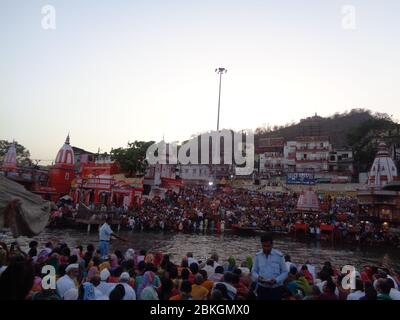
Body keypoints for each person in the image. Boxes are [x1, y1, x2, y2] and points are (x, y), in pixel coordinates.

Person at [251, 234, 288, 300]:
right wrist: (258, 277)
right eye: (264, 246)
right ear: (261, 245)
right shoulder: (258, 256)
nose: (266, 248)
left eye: (268, 246)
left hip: (276, 289)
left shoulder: (279, 256)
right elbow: (254, 271)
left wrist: (276, 280)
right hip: (262, 289)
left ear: (272, 245)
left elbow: (285, 272)